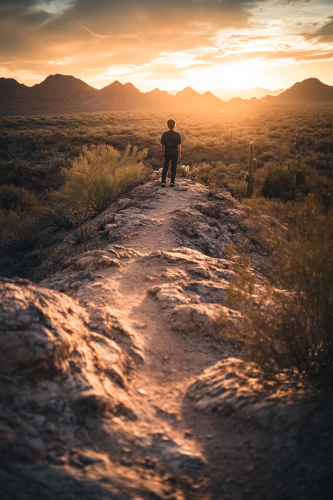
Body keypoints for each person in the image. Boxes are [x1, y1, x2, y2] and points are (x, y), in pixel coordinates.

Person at [160, 119, 182, 187]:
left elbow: (163, 144)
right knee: (174, 168)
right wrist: (180, 153)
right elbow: (179, 145)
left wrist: (162, 151)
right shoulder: (177, 134)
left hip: (167, 152)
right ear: (174, 126)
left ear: (168, 126)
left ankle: (163, 182)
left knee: (165, 167)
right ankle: (172, 182)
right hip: (174, 153)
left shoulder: (164, 134)